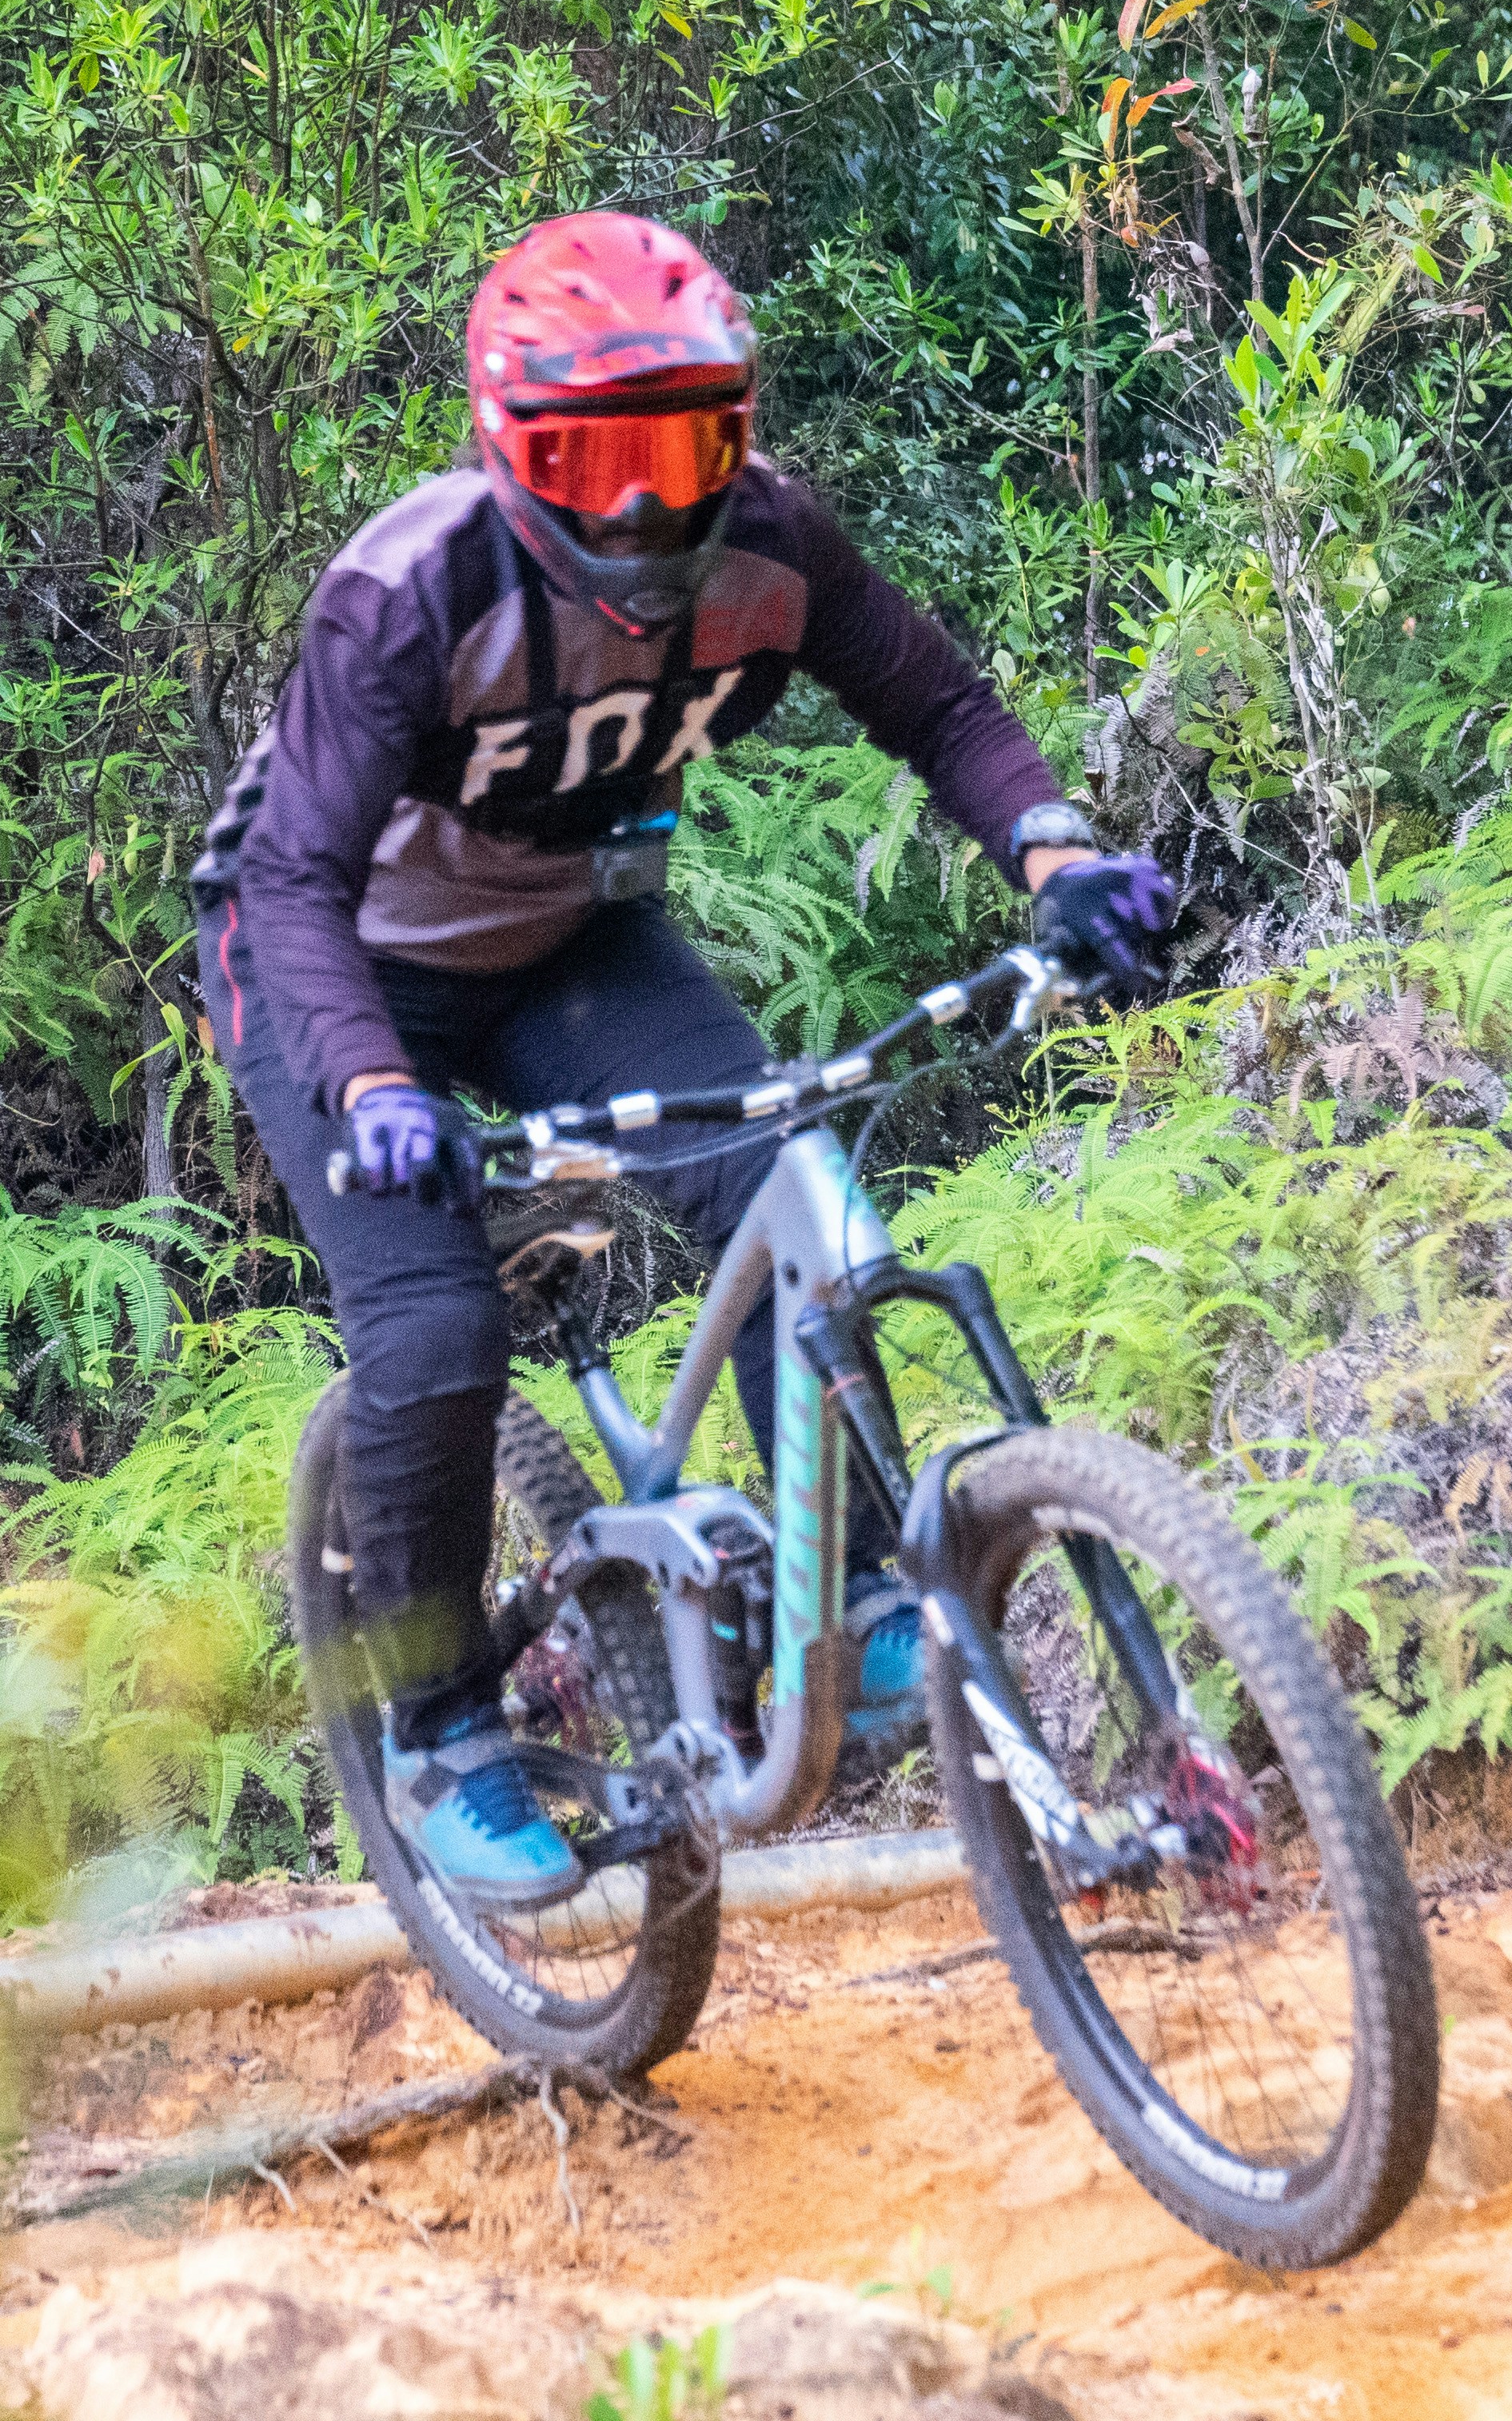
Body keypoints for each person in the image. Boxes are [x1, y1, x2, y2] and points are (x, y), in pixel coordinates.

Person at [186, 212, 1176, 1908]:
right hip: (333, 969)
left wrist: (1059, 854)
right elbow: (288, 878)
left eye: (687, 447)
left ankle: (854, 1600)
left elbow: (940, 711)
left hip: (565, 941)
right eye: (596, 456)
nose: (647, 503)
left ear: (740, 436)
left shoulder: (776, 545)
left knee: (802, 1190)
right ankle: (436, 1725)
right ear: (513, 450)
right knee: (431, 1329)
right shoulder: (410, 592)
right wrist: (364, 1083)